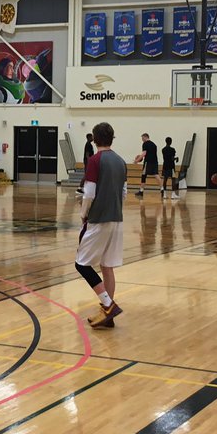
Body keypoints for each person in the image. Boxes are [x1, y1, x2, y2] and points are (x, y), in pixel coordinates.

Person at [74, 121, 126, 328]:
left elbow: (89, 193)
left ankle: (108, 304)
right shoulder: (121, 161)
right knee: (107, 266)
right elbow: (124, 193)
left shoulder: (95, 160)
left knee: (81, 264)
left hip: (98, 219)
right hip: (117, 219)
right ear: (112, 138)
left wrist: (83, 213)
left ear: (94, 139)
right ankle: (107, 315)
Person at [135, 133, 159, 197]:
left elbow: (144, 154)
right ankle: (162, 189)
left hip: (148, 162)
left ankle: (141, 191)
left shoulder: (145, 144)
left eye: (142, 138)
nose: (142, 140)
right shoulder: (154, 145)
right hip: (154, 162)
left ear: (145, 137)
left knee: (143, 176)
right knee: (156, 175)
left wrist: (137, 160)